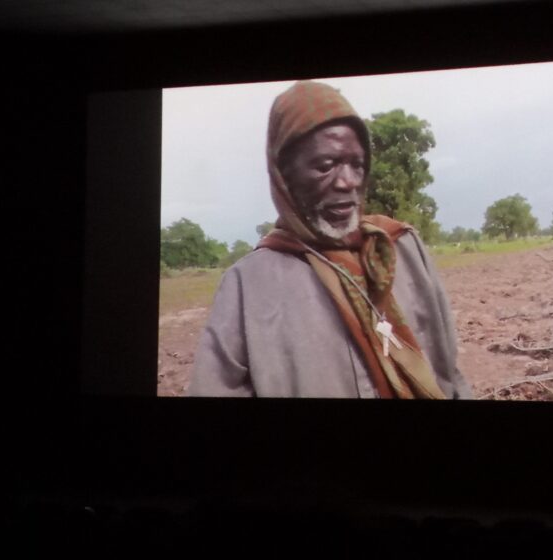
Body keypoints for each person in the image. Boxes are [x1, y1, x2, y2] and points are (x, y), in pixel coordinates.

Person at [189, 81, 471, 399]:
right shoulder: (248, 285)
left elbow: (451, 375)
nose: (348, 182)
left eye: (357, 164)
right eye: (326, 166)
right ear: (284, 174)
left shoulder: (401, 248)